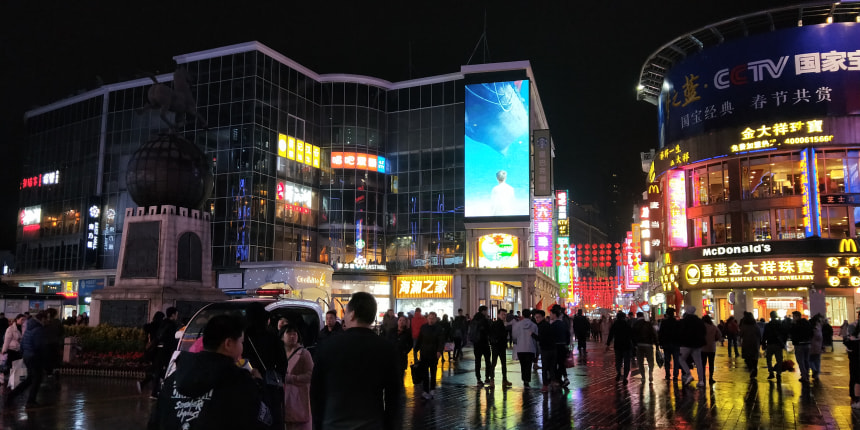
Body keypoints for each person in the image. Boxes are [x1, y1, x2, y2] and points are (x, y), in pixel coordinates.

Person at [148, 314, 272, 430]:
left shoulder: (174, 379)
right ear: (228, 344)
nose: (242, 348)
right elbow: (262, 422)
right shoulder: (239, 381)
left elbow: (154, 422)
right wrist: (260, 386)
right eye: (241, 342)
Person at [311, 292, 401, 429]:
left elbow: (316, 392)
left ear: (352, 314)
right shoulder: (386, 348)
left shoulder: (328, 346)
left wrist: (318, 424)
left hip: (334, 423)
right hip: (371, 424)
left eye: (345, 312)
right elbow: (393, 396)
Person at [244, 302, 288, 430]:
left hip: (247, 385)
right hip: (270, 385)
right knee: (272, 419)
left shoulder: (243, 337)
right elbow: (282, 362)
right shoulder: (272, 337)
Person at [5, 311, 47, 408]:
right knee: (36, 378)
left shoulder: (29, 328)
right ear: (42, 319)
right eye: (46, 319)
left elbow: (23, 342)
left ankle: (12, 395)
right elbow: (39, 345)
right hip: (34, 356)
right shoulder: (38, 329)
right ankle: (31, 401)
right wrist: (42, 356)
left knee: (30, 379)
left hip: (27, 355)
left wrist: (23, 354)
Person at [282, 323, 313, 430]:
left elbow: (311, 374)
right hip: (284, 397)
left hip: (299, 398)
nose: (292, 336)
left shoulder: (304, 353)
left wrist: (292, 378)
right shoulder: (279, 354)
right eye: (289, 333)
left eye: (295, 333)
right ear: (282, 337)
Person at [415, 311, 445, 399]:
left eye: (432, 318)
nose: (431, 320)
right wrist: (416, 349)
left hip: (433, 353)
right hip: (424, 353)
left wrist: (439, 351)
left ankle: (432, 388)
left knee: (433, 372)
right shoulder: (423, 327)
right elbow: (420, 339)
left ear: (435, 319)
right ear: (427, 318)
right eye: (429, 318)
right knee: (425, 372)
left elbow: (441, 340)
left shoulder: (439, 328)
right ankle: (425, 390)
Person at [138, 311, 165, 394]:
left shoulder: (150, 326)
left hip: (151, 351)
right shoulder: (159, 327)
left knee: (156, 370)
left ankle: (147, 385)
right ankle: (152, 388)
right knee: (157, 370)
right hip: (157, 351)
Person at [679, 306, 706, 386]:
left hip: (686, 344)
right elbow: (704, 331)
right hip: (697, 344)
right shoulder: (699, 321)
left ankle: (688, 374)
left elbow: (681, 332)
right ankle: (701, 380)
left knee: (681, 359)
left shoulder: (684, 321)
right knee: (698, 362)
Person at [512, 309, 538, 387]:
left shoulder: (517, 325)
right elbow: (536, 336)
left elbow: (514, 336)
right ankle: (527, 380)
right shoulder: (534, 325)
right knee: (528, 365)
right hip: (530, 348)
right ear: (530, 315)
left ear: (522, 315)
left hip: (521, 348)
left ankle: (524, 379)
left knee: (523, 365)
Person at [606, 311, 634, 384]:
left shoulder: (615, 324)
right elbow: (632, 335)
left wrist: (608, 344)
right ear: (624, 317)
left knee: (618, 360)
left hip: (618, 345)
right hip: (626, 345)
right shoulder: (627, 324)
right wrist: (634, 344)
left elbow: (611, 334)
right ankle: (625, 377)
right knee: (627, 362)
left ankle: (618, 372)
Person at [489, 309, 513, 388]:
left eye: (505, 314)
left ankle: (498, 380)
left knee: (498, 363)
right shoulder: (497, 324)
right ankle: (496, 380)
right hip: (498, 346)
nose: (504, 316)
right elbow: (497, 335)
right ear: (498, 315)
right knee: (498, 363)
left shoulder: (502, 324)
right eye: (502, 314)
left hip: (498, 346)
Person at [535, 309, 557, 392]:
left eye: (538, 317)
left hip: (545, 349)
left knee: (544, 368)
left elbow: (540, 338)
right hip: (553, 349)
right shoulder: (548, 324)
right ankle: (553, 381)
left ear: (543, 317)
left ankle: (545, 385)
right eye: (536, 317)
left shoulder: (541, 326)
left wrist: (532, 334)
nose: (537, 319)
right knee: (551, 367)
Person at [470, 306, 493, 387]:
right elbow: (489, 331)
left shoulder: (474, 320)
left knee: (477, 361)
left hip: (476, 343)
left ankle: (478, 379)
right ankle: (487, 377)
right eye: (486, 311)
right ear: (483, 311)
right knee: (487, 361)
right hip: (484, 342)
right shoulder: (484, 320)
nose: (487, 312)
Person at [632, 311, 657, 382]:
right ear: (643, 316)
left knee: (640, 361)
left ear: (637, 316)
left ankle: (643, 376)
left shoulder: (635, 324)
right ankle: (650, 373)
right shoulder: (648, 324)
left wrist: (634, 345)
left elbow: (632, 335)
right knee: (650, 360)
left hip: (639, 345)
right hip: (648, 344)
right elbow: (653, 334)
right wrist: (656, 344)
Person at [1, 314, 25, 388]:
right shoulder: (10, 329)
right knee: (10, 366)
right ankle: (7, 382)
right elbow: (6, 340)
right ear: (17, 319)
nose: (23, 321)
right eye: (22, 319)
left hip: (19, 350)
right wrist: (4, 350)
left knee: (18, 366)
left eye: (24, 320)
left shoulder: (23, 328)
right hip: (11, 350)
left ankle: (15, 382)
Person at [550, 305, 572, 387]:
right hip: (563, 346)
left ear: (554, 314)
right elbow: (568, 334)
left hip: (556, 346)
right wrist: (567, 343)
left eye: (551, 314)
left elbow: (550, 336)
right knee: (561, 363)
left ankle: (558, 379)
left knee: (555, 363)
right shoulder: (563, 323)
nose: (550, 316)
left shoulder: (553, 325)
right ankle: (563, 379)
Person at [762, 311, 787, 381]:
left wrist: (763, 343)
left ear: (770, 316)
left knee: (769, 359)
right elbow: (784, 334)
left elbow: (765, 335)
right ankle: (778, 373)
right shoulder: (780, 324)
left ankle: (771, 372)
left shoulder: (768, 325)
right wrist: (783, 342)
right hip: (778, 344)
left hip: (770, 343)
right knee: (779, 359)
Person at [658, 307, 682, 381]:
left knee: (667, 360)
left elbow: (661, 333)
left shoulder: (664, 323)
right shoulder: (677, 322)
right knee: (676, 360)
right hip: (676, 343)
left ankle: (667, 374)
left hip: (666, 343)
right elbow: (680, 333)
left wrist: (660, 343)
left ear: (667, 314)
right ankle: (675, 375)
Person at [791, 310, 813, 384]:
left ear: (797, 316)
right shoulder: (807, 323)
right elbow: (811, 332)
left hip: (799, 344)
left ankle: (804, 376)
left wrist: (793, 325)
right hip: (807, 343)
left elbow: (793, 333)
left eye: (794, 317)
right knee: (806, 360)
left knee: (800, 361)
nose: (793, 318)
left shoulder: (796, 324)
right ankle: (807, 374)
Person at [844, 311, 860, 408]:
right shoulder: (853, 326)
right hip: (855, 355)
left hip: (854, 355)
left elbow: (848, 341)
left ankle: (855, 398)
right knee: (856, 377)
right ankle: (855, 398)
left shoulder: (851, 326)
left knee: (855, 377)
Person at [700, 315, 722, 384]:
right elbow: (719, 335)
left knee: (703, 364)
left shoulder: (701, 327)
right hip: (711, 348)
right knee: (711, 364)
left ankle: (702, 378)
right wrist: (714, 339)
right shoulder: (714, 327)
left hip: (703, 348)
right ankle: (710, 378)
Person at [42, 308, 64, 378]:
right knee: (56, 357)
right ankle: (56, 369)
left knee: (48, 358)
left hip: (46, 343)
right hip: (56, 343)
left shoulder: (45, 322)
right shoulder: (58, 322)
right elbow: (62, 332)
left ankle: (49, 373)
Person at [740, 312, 761, 379]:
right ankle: (754, 369)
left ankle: (751, 369)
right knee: (754, 358)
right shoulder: (755, 326)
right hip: (755, 343)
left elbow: (741, 334)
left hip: (746, 343)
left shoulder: (744, 326)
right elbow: (759, 334)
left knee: (747, 358)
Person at [809, 314, 824, 381]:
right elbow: (819, 336)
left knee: (811, 360)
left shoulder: (813, 326)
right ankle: (816, 373)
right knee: (816, 360)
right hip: (817, 346)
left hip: (813, 346)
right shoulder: (818, 326)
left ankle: (815, 371)